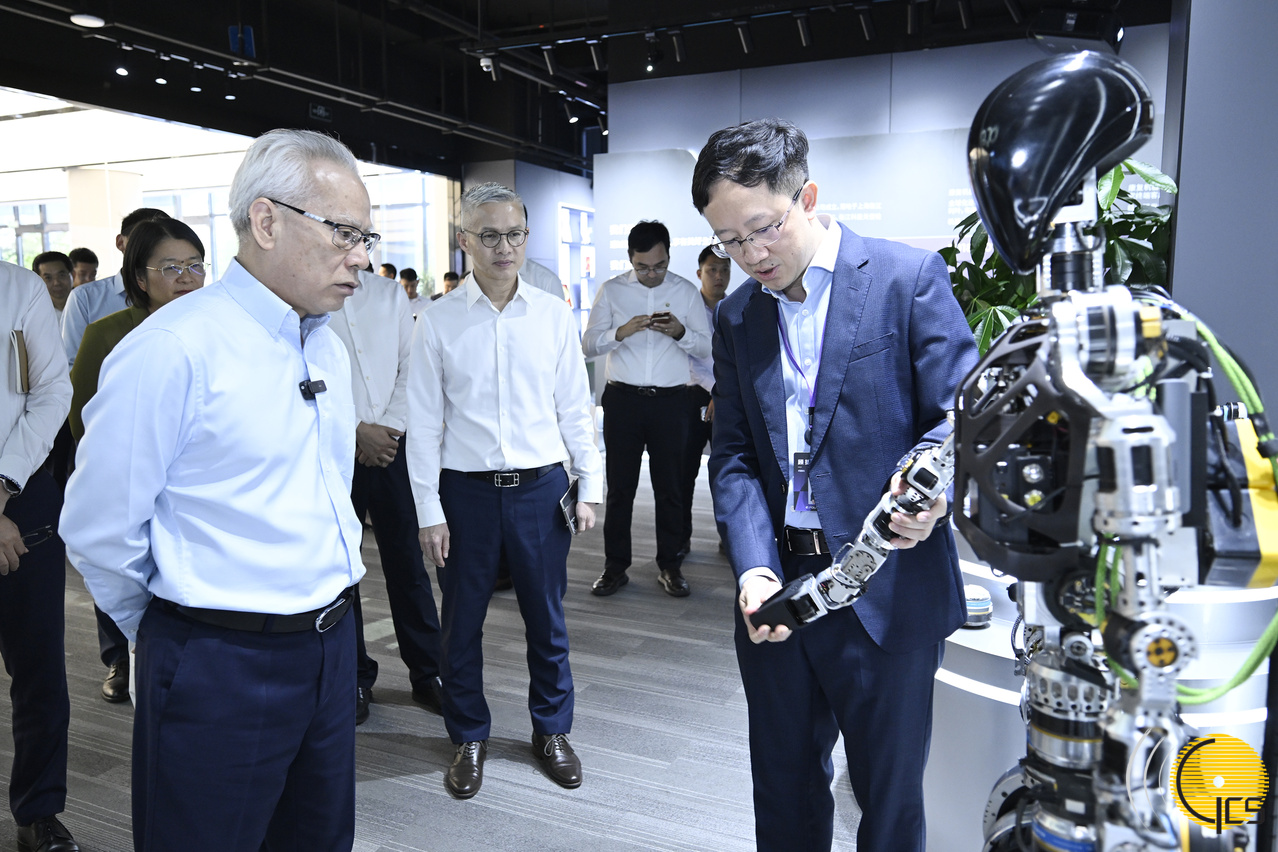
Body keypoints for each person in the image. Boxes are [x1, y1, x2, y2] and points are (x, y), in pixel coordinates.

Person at [62, 129, 371, 852]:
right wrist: (177, 633)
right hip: (219, 662)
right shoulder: (173, 347)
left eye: (366, 237)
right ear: (266, 221)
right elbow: (99, 526)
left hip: (331, 648)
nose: (360, 256)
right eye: (344, 233)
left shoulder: (323, 341)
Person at [692, 118, 978, 852]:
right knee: (783, 796)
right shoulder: (737, 315)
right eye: (729, 241)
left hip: (886, 586)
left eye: (764, 229)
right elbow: (733, 457)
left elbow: (959, 415)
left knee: (889, 805)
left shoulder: (905, 279)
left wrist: (931, 490)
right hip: (780, 588)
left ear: (807, 197)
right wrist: (754, 567)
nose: (752, 255)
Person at [408, 182, 602, 800]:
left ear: (526, 237)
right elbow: (424, 425)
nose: (504, 247)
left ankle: (552, 730)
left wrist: (590, 484)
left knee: (547, 619)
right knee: (460, 623)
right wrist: (428, 510)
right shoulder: (436, 321)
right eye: (488, 235)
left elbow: (575, 408)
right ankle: (468, 734)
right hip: (463, 494)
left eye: (514, 234)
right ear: (465, 241)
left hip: (541, 490)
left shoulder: (551, 315)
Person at [331, 266, 444, 725]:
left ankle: (429, 671)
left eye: (364, 236)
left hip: (392, 447)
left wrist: (388, 430)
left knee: (408, 563)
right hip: (334, 450)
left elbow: (410, 367)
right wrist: (357, 431)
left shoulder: (389, 294)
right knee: (343, 569)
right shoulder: (309, 294)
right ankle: (355, 676)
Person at [581, 220, 710, 598]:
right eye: (643, 267)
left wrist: (680, 333)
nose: (652, 274)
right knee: (620, 488)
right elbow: (588, 345)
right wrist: (620, 332)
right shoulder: (612, 291)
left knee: (670, 488)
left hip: (672, 403)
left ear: (668, 256)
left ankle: (670, 565)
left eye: (659, 266)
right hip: (623, 401)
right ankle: (614, 567)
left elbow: (706, 347)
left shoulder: (685, 292)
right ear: (630, 259)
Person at [0, 261, 77, 852]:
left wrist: (2, 487)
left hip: (20, 492)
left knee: (40, 669)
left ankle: (38, 811)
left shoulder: (18, 287)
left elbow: (52, 392)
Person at [68, 218, 207, 442]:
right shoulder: (105, 335)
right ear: (140, 278)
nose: (186, 278)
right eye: (170, 268)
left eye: (195, 265)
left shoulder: (218, 326)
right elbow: (81, 423)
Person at [61, 208, 169, 368]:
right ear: (121, 243)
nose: (153, 247)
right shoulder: (85, 298)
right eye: (141, 239)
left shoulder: (178, 294)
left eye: (163, 240)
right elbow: (72, 363)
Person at [678, 245, 732, 555]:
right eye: (712, 270)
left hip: (727, 398)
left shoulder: (736, 308)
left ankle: (730, 538)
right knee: (684, 472)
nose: (719, 276)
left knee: (726, 472)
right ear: (700, 273)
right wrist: (714, 389)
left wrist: (721, 392)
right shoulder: (688, 310)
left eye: (725, 270)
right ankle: (680, 539)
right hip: (692, 396)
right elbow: (686, 359)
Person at [32, 251, 74, 324]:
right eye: (48, 278)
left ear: (73, 275)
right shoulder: (33, 314)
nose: (56, 283)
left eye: (61, 275)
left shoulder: (87, 306)